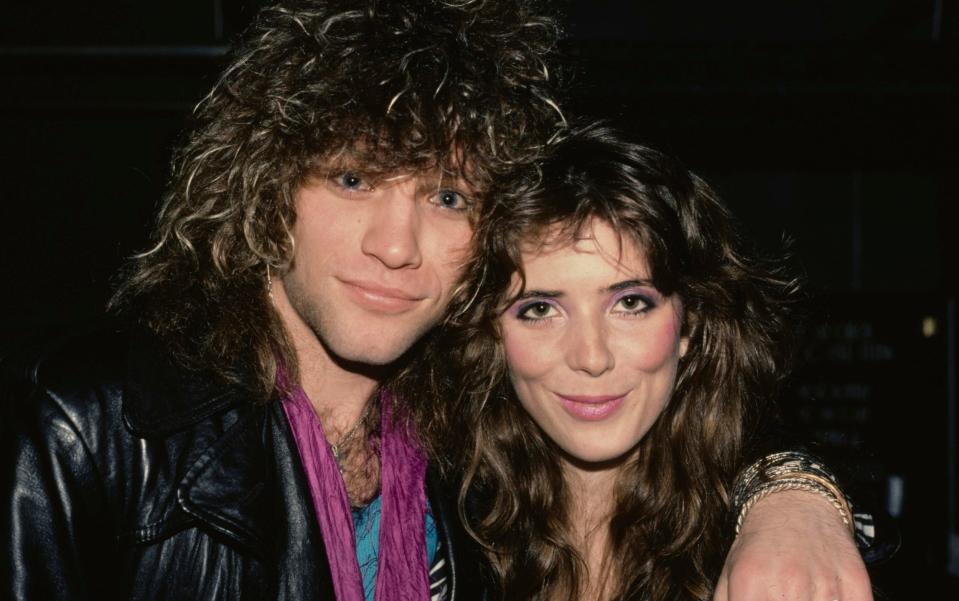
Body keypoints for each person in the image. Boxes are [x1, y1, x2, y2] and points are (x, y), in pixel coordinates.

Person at [0, 2, 877, 600]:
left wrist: (791, 493)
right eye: (352, 177)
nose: (396, 243)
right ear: (264, 191)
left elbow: (676, 439)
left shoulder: (469, 445)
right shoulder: (102, 422)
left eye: (447, 197)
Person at [438, 124, 874, 601]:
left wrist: (795, 499)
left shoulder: (765, 558)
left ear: (688, 326)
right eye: (539, 309)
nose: (591, 357)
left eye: (630, 303)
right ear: (491, 334)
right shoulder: (442, 532)